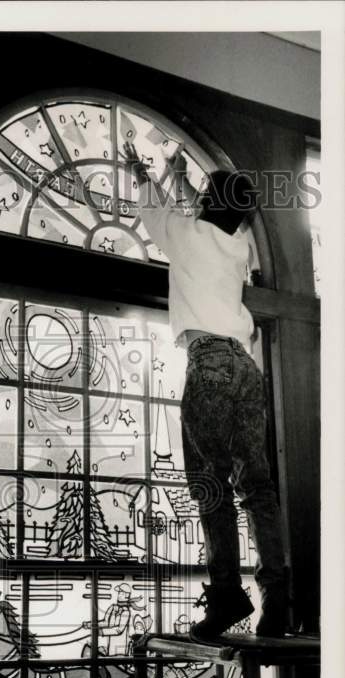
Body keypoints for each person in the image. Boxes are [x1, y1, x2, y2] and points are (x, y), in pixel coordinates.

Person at [121, 141, 288, 640]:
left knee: (210, 485)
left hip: (210, 362)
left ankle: (226, 598)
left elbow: (155, 210)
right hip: (245, 364)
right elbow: (207, 211)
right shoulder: (238, 247)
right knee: (256, 488)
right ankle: (277, 601)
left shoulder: (189, 234)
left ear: (207, 205)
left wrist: (140, 169)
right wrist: (183, 181)